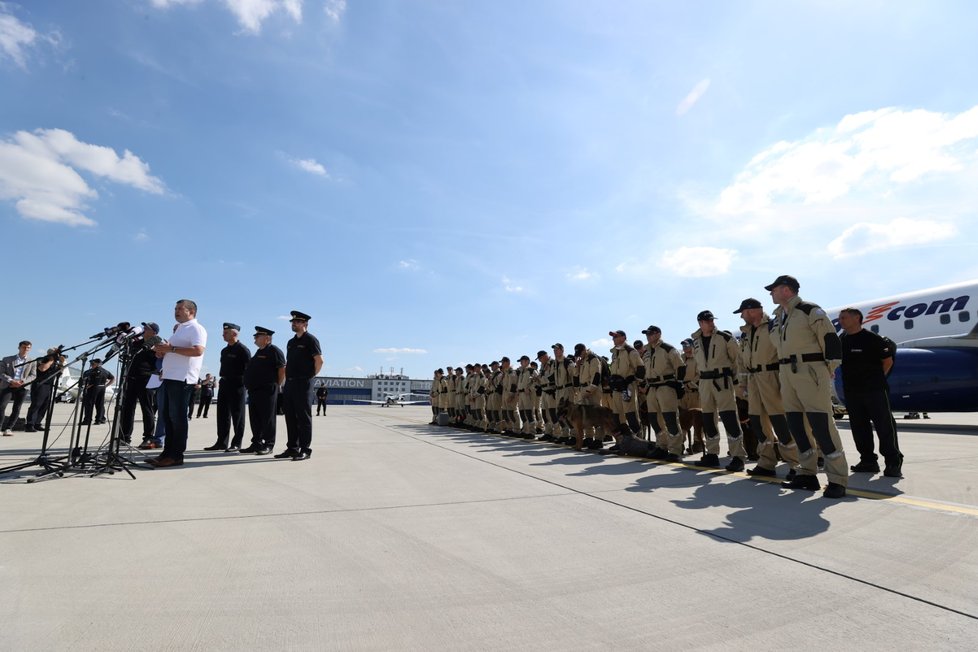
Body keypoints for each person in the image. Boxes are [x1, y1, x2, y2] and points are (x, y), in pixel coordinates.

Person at [767, 274, 848, 499]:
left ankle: (837, 478)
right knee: (796, 425)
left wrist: (829, 367)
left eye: (773, 289)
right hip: (787, 373)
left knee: (821, 424)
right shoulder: (779, 317)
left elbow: (831, 339)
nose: (771, 294)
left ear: (785, 290)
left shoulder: (809, 310)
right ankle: (807, 473)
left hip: (810, 370)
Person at [733, 299, 805, 479]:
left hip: (772, 377)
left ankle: (795, 464)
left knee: (780, 422)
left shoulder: (774, 326)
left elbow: (784, 351)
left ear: (751, 311)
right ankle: (766, 462)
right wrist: (742, 385)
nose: (741, 316)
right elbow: (742, 361)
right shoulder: (746, 334)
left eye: (742, 312)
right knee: (757, 422)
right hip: (753, 380)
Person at [838, 307, 903, 477]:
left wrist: (876, 379)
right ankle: (868, 461)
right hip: (852, 392)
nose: (840, 320)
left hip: (874, 390)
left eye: (844, 317)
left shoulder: (872, 339)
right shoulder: (842, 340)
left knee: (884, 426)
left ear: (856, 318)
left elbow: (887, 361)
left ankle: (893, 461)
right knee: (859, 427)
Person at [149, 299, 208, 468]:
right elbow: (173, 351)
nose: (176, 311)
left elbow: (198, 350)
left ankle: (176, 456)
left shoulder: (197, 328)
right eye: (175, 308)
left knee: (178, 419)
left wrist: (171, 349)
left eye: (180, 309)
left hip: (182, 380)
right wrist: (163, 352)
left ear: (191, 311)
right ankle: (166, 453)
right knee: (167, 417)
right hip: (169, 378)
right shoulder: (180, 330)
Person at [690, 310, 747, 471]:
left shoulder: (725, 338)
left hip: (723, 381)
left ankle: (737, 456)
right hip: (704, 383)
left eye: (712, 320)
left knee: (729, 418)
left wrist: (737, 383)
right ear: (700, 323)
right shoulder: (696, 341)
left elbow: (737, 361)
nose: (711, 323)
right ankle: (712, 454)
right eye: (707, 321)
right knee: (708, 419)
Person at [276, 310, 323, 461]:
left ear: (305, 324)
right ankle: (292, 448)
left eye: (297, 322)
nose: (294, 324)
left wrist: (310, 376)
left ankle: (305, 449)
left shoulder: (311, 340)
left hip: (304, 382)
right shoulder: (291, 342)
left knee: (303, 417)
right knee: (290, 416)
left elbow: (319, 361)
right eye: (293, 322)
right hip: (290, 383)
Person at [640, 325, 686, 461]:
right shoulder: (647, 352)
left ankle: (675, 450)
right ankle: (662, 446)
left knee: (670, 419)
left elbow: (680, 367)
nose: (648, 336)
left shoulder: (668, 349)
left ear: (658, 334)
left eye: (650, 334)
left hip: (666, 385)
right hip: (652, 387)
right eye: (646, 334)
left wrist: (678, 384)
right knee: (654, 419)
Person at [204, 323, 252, 452]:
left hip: (238, 384)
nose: (223, 335)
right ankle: (221, 442)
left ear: (234, 334)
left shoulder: (243, 350)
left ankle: (236, 443)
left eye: (226, 333)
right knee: (223, 415)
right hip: (224, 383)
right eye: (223, 332)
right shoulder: (224, 351)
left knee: (238, 415)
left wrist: (246, 385)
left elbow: (249, 369)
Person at [242, 326, 285, 454]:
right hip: (254, 390)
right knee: (255, 418)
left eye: (258, 336)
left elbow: (282, 369)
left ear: (267, 338)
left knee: (268, 418)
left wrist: (276, 384)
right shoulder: (259, 352)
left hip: (267, 390)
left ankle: (269, 444)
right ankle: (256, 443)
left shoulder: (274, 351)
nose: (255, 338)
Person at [118, 322, 161, 445]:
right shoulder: (136, 342)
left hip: (147, 378)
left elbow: (162, 359)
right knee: (127, 408)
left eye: (147, 328)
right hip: (131, 378)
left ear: (154, 332)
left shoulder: (158, 342)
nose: (144, 329)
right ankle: (125, 436)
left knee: (147, 408)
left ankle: (148, 436)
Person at [605, 329, 646, 453]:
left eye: (616, 337)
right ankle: (622, 442)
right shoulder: (615, 353)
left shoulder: (631, 351)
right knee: (617, 417)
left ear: (623, 338)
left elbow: (640, 368)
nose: (614, 339)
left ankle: (640, 443)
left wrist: (635, 381)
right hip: (617, 389)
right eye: (613, 337)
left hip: (627, 387)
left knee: (631, 415)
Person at [1, 341, 36, 436]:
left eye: (28, 348)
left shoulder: (32, 361)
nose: (25, 349)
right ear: (19, 347)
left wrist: (22, 382)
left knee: (17, 408)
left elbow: (33, 375)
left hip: (22, 387)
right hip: (8, 385)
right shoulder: (7, 359)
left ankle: (8, 428)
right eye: (24, 347)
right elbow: (1, 373)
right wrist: (11, 381)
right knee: (2, 406)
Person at [25, 348, 64, 432]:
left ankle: (37, 423)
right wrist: (51, 360)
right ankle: (30, 424)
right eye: (56, 354)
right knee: (36, 404)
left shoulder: (55, 363)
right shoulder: (41, 359)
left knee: (45, 406)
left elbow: (59, 373)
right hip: (40, 384)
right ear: (51, 354)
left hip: (49, 385)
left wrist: (61, 363)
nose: (58, 356)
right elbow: (42, 369)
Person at [80, 358, 114, 425]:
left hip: (93, 389)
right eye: (91, 364)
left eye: (93, 364)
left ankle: (88, 420)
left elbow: (94, 381)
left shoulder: (92, 371)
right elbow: (112, 378)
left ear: (98, 364)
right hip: (101, 388)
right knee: (100, 405)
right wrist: (105, 385)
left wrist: (87, 386)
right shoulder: (105, 371)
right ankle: (100, 419)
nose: (91, 365)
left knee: (89, 405)